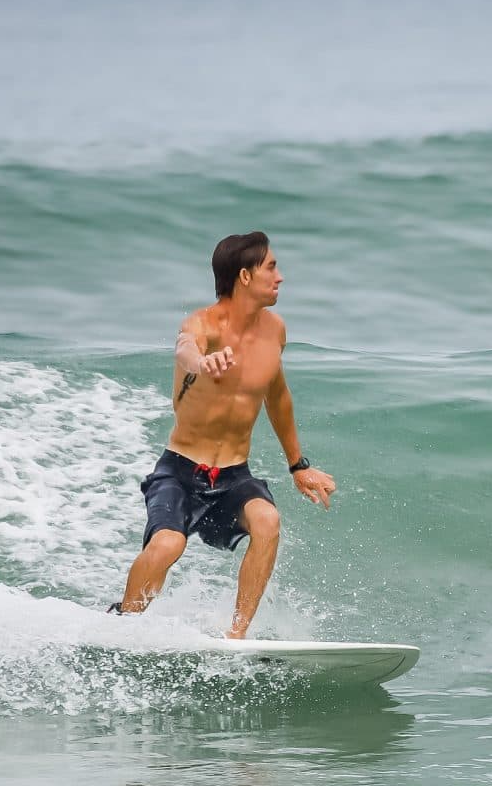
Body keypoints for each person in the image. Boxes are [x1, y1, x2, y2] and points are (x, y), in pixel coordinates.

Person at [111, 232, 337, 638]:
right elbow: (185, 348)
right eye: (271, 267)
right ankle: (123, 625)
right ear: (245, 276)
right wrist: (202, 361)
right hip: (180, 471)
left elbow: (278, 397)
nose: (280, 277)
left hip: (233, 475)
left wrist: (297, 466)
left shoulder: (275, 331)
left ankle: (236, 636)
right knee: (166, 546)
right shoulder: (202, 324)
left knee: (267, 520)